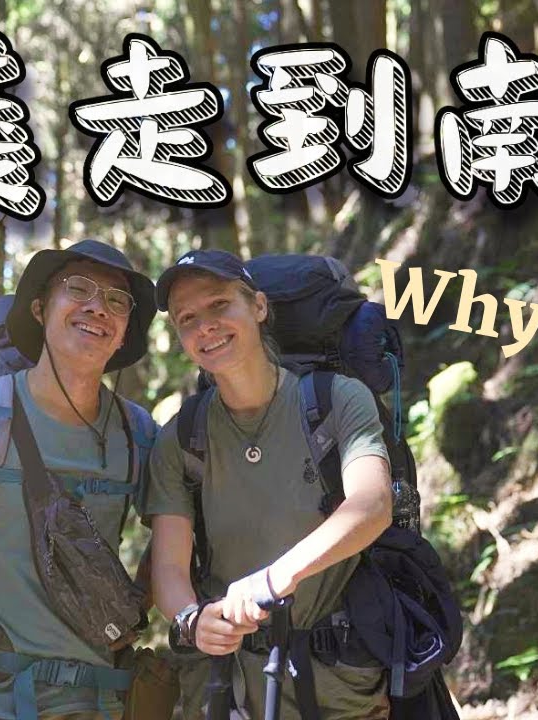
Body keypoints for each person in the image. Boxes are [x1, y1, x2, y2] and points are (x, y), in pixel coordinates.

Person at [0, 239, 157, 720]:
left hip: (101, 706)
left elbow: (179, 531)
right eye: (77, 288)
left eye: (116, 299)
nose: (97, 306)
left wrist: (133, 605)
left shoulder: (139, 434)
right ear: (40, 309)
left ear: (125, 332)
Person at [144, 250, 395, 720]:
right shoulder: (182, 438)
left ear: (258, 307)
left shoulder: (336, 401)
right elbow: (169, 567)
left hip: (338, 690)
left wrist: (275, 578)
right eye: (187, 318)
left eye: (219, 305)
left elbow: (373, 503)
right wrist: (191, 620)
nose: (206, 326)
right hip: (229, 690)